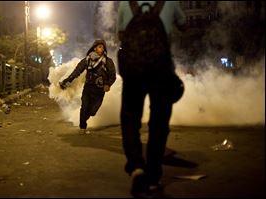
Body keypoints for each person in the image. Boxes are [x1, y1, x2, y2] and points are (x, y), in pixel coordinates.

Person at [117, 1, 186, 197]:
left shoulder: (125, 4)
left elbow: (121, 34)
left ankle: (137, 168)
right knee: (159, 124)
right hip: (161, 71)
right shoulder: (170, 2)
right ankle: (154, 176)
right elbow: (183, 24)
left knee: (130, 120)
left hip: (133, 72)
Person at [59, 39, 116, 134]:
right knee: (84, 107)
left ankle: (84, 119)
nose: (101, 48)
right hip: (88, 88)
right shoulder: (87, 60)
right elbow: (77, 71)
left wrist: (108, 84)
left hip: (99, 90)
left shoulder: (108, 61)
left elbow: (112, 75)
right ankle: (82, 127)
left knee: (92, 111)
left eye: (102, 47)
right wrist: (67, 80)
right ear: (94, 48)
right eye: (99, 46)